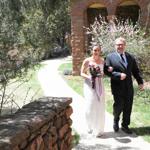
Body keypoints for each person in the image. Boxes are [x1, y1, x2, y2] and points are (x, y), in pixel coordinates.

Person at [104, 37, 144, 134]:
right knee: (119, 106)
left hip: (129, 87)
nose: (120, 46)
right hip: (117, 87)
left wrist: (140, 82)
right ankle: (116, 119)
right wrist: (118, 75)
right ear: (115, 46)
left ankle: (125, 125)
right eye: (118, 45)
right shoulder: (110, 57)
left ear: (125, 46)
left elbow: (135, 71)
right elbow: (106, 71)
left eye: (122, 44)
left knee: (128, 107)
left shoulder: (130, 57)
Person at [80, 45, 105, 137]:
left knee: (99, 105)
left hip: (100, 85)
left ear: (100, 51)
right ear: (92, 51)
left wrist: (101, 74)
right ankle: (89, 126)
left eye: (98, 50)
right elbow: (81, 73)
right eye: (94, 50)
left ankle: (98, 128)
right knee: (90, 105)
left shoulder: (102, 60)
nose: (96, 52)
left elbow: (103, 73)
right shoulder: (87, 61)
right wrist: (89, 77)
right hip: (89, 85)